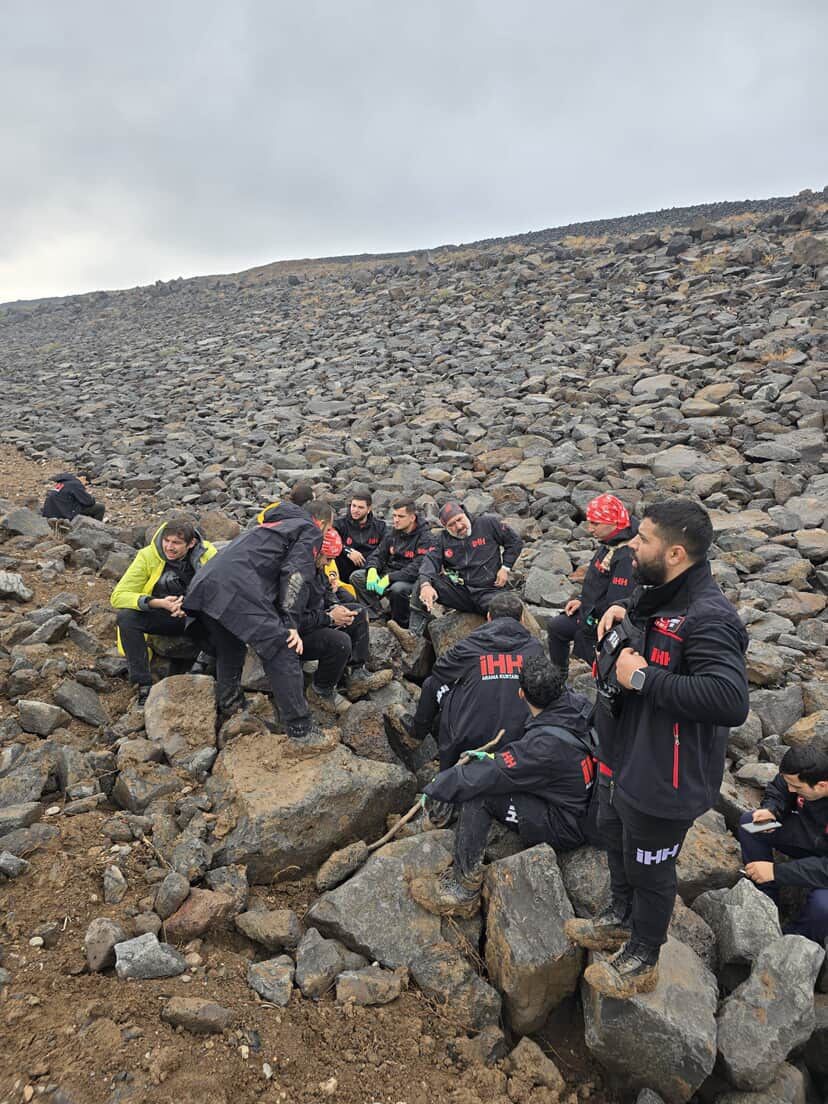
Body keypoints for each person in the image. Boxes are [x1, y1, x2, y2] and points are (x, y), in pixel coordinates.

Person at [565, 497, 749, 1000]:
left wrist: (643, 677)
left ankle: (645, 954)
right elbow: (652, 625)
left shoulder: (709, 617)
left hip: (667, 777)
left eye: (643, 539)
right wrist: (625, 614)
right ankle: (619, 917)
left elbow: (730, 699)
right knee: (612, 833)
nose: (633, 544)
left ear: (674, 553)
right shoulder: (661, 595)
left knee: (652, 865)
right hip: (626, 754)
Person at [409, 654, 596, 917]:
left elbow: (490, 774)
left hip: (566, 823)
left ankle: (464, 890)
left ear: (521, 693)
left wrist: (437, 786)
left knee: (480, 795)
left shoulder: (542, 748)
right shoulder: (577, 704)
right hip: (581, 799)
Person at [183, 498, 334, 743]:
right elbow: (296, 574)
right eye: (327, 530)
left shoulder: (271, 525)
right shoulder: (309, 529)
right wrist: (290, 622)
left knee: (230, 645)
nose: (324, 535)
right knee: (282, 645)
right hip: (237, 589)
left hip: (205, 584)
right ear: (322, 523)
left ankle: (231, 707)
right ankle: (300, 730)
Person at [386, 591, 544, 785]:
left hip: (470, 740)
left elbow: (440, 670)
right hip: (521, 740)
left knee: (432, 684)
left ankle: (418, 732)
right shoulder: (534, 648)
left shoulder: (472, 644)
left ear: (488, 618)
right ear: (521, 620)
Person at [111, 518, 217, 706]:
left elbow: (221, 590)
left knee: (223, 616)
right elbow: (118, 596)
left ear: (191, 543)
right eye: (166, 541)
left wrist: (192, 605)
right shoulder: (148, 556)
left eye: (176, 543)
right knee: (126, 618)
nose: (169, 547)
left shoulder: (208, 554)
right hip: (163, 612)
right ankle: (143, 685)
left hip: (198, 614)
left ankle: (200, 670)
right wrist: (157, 603)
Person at [739, 747, 828, 945]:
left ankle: (790, 941)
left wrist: (777, 872)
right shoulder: (804, 774)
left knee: (823, 908)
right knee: (750, 825)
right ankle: (766, 905)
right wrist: (772, 809)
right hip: (811, 835)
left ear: (822, 785)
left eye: (797, 788)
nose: (791, 790)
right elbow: (780, 787)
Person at [297, 528, 390, 714]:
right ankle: (321, 690)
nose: (328, 563)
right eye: (327, 559)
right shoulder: (298, 577)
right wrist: (330, 617)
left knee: (358, 612)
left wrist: (336, 607)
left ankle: (357, 673)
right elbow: (294, 620)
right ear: (315, 552)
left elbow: (325, 594)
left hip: (314, 621)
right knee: (340, 642)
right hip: (296, 637)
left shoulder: (317, 568)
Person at [546, 494, 638, 673]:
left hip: (604, 622)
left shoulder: (628, 554)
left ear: (612, 522)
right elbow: (596, 579)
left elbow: (618, 601)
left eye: (595, 523)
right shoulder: (610, 541)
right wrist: (581, 599)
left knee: (601, 666)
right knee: (556, 627)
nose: (589, 529)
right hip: (589, 611)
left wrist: (590, 623)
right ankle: (559, 676)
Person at [406, 502, 522, 639]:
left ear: (465, 514)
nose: (459, 526)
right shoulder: (441, 540)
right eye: (451, 525)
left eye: (459, 520)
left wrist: (505, 567)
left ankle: (503, 644)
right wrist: (426, 585)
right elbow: (430, 562)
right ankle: (414, 635)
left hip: (490, 590)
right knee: (422, 582)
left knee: (505, 608)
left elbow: (514, 542)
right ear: (445, 527)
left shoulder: (488, 523)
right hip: (462, 592)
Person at [350, 498, 435, 627]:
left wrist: (389, 578)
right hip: (390, 573)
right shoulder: (393, 532)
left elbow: (417, 567)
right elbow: (378, 554)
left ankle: (400, 624)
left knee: (398, 589)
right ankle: (377, 615)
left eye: (401, 516)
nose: (396, 520)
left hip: (411, 580)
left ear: (412, 518)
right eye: (394, 516)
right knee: (357, 577)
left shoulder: (425, 537)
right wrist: (372, 569)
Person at [334, 490, 387, 584]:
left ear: (369, 509)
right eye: (353, 506)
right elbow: (331, 542)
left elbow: (384, 549)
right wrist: (348, 551)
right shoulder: (339, 524)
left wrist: (372, 567)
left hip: (369, 567)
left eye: (360, 507)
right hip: (344, 567)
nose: (355, 510)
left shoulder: (380, 527)